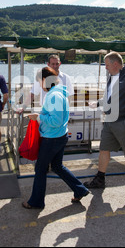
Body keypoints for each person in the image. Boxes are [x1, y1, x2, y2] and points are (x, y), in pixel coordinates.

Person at [22, 67, 89, 209]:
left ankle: (36, 201)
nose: (40, 85)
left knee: (40, 169)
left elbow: (55, 120)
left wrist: (38, 117)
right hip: (60, 135)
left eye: (40, 82)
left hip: (51, 138)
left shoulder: (53, 96)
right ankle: (80, 189)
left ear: (45, 80)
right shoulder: (60, 93)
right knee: (57, 166)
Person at [84, 52, 125, 191]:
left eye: (107, 65)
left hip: (123, 122)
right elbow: (109, 98)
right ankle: (100, 179)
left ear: (115, 64)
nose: (105, 68)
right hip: (109, 120)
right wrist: (98, 103)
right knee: (104, 149)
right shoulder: (112, 77)